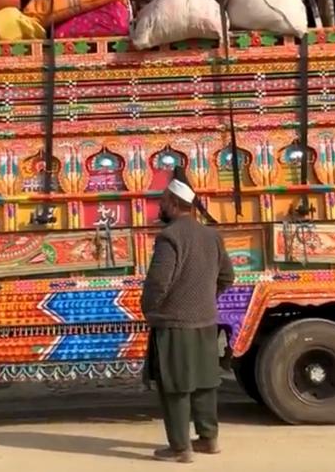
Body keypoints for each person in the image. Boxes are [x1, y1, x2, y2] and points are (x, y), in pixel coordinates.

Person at [141, 176, 235, 463]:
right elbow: (227, 277)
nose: (160, 206)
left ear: (172, 203)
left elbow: (159, 282)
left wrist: (150, 308)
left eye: (162, 201)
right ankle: (208, 439)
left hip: (174, 323)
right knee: (206, 381)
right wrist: (204, 298)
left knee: (176, 385)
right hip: (205, 321)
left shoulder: (170, 237)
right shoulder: (212, 236)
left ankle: (180, 448)